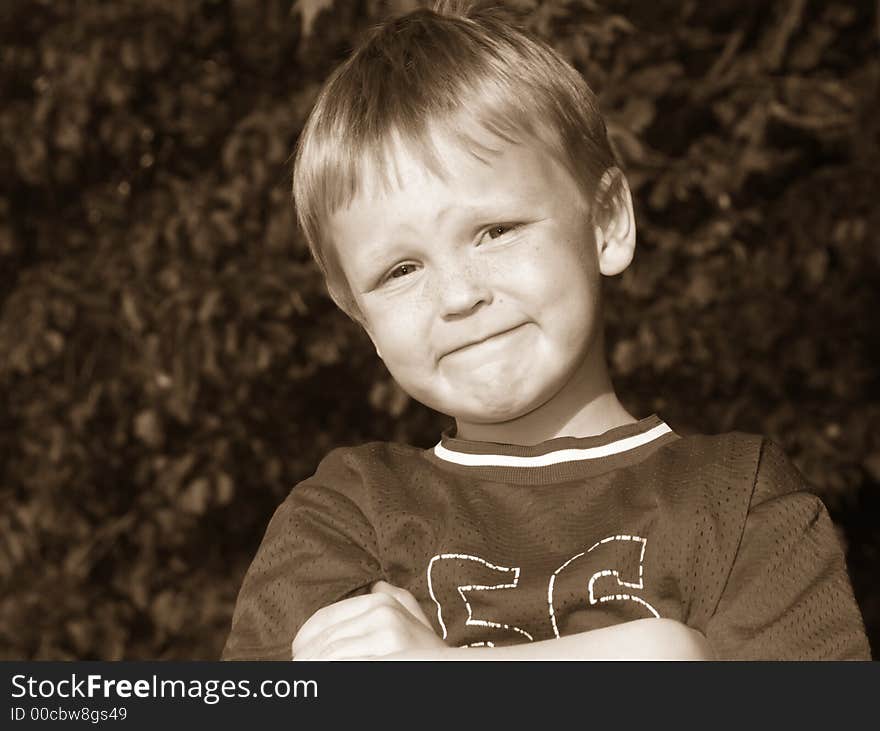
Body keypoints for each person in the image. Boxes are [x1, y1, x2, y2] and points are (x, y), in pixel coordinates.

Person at [222, 1, 871, 660]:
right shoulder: (347, 513)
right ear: (358, 312)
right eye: (399, 269)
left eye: (495, 231)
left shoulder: (737, 497)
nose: (459, 295)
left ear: (607, 222)